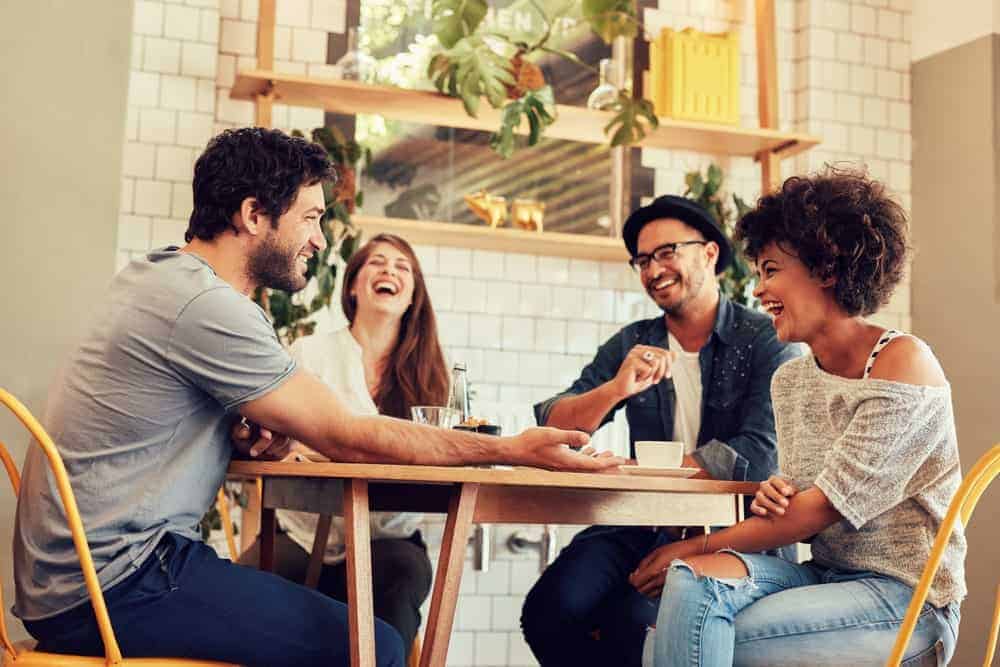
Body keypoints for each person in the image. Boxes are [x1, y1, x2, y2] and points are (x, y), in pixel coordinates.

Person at [11, 127, 622, 667]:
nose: (320, 240)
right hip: (118, 583)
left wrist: (241, 430)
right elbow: (344, 432)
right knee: (376, 649)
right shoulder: (208, 306)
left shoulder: (162, 279)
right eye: (309, 218)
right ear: (254, 214)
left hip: (75, 578)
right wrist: (512, 448)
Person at [641, 168, 965, 666]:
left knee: (689, 633)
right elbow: (803, 512)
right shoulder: (791, 379)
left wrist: (695, 544)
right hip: (826, 575)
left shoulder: (903, 363)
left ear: (826, 267)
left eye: (770, 270)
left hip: (908, 601)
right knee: (692, 584)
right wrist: (779, 493)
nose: (759, 291)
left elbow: (815, 512)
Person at [521, 195, 801, 666]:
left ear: (710, 253)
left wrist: (654, 470)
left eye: (667, 252)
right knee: (550, 610)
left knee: (633, 622)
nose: (654, 270)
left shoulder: (765, 339)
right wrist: (614, 389)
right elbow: (553, 422)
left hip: (736, 530)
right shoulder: (635, 341)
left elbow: (760, 452)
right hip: (640, 519)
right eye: (643, 260)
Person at [238, 233, 445, 660]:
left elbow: (438, 457)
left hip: (390, 537)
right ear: (352, 285)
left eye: (402, 267)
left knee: (400, 577)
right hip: (300, 531)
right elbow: (280, 442)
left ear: (413, 297)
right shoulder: (308, 354)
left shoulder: (432, 375)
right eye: (378, 263)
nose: (390, 271)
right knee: (244, 591)